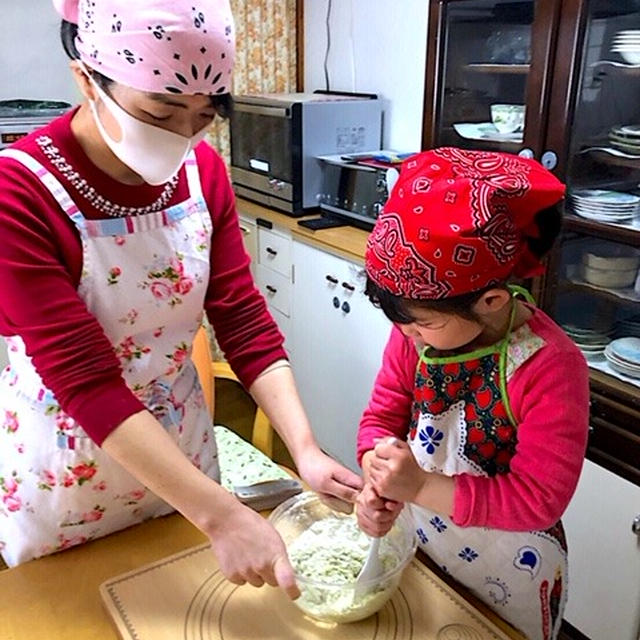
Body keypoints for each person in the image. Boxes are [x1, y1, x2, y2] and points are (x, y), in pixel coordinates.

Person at [0, 0, 362, 595]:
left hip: (182, 449)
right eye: (161, 111)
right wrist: (222, 515)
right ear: (86, 78)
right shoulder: (20, 193)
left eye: (203, 116)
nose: (183, 136)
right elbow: (84, 379)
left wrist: (305, 449)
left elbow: (241, 318)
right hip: (69, 464)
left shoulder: (203, 174)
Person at [355, 147, 589, 640]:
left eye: (423, 326)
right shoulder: (413, 336)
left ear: (491, 301)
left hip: (511, 568)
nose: (409, 338)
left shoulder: (550, 366)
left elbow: (538, 499)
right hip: (422, 541)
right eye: (404, 326)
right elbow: (381, 417)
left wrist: (418, 487)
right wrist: (377, 473)